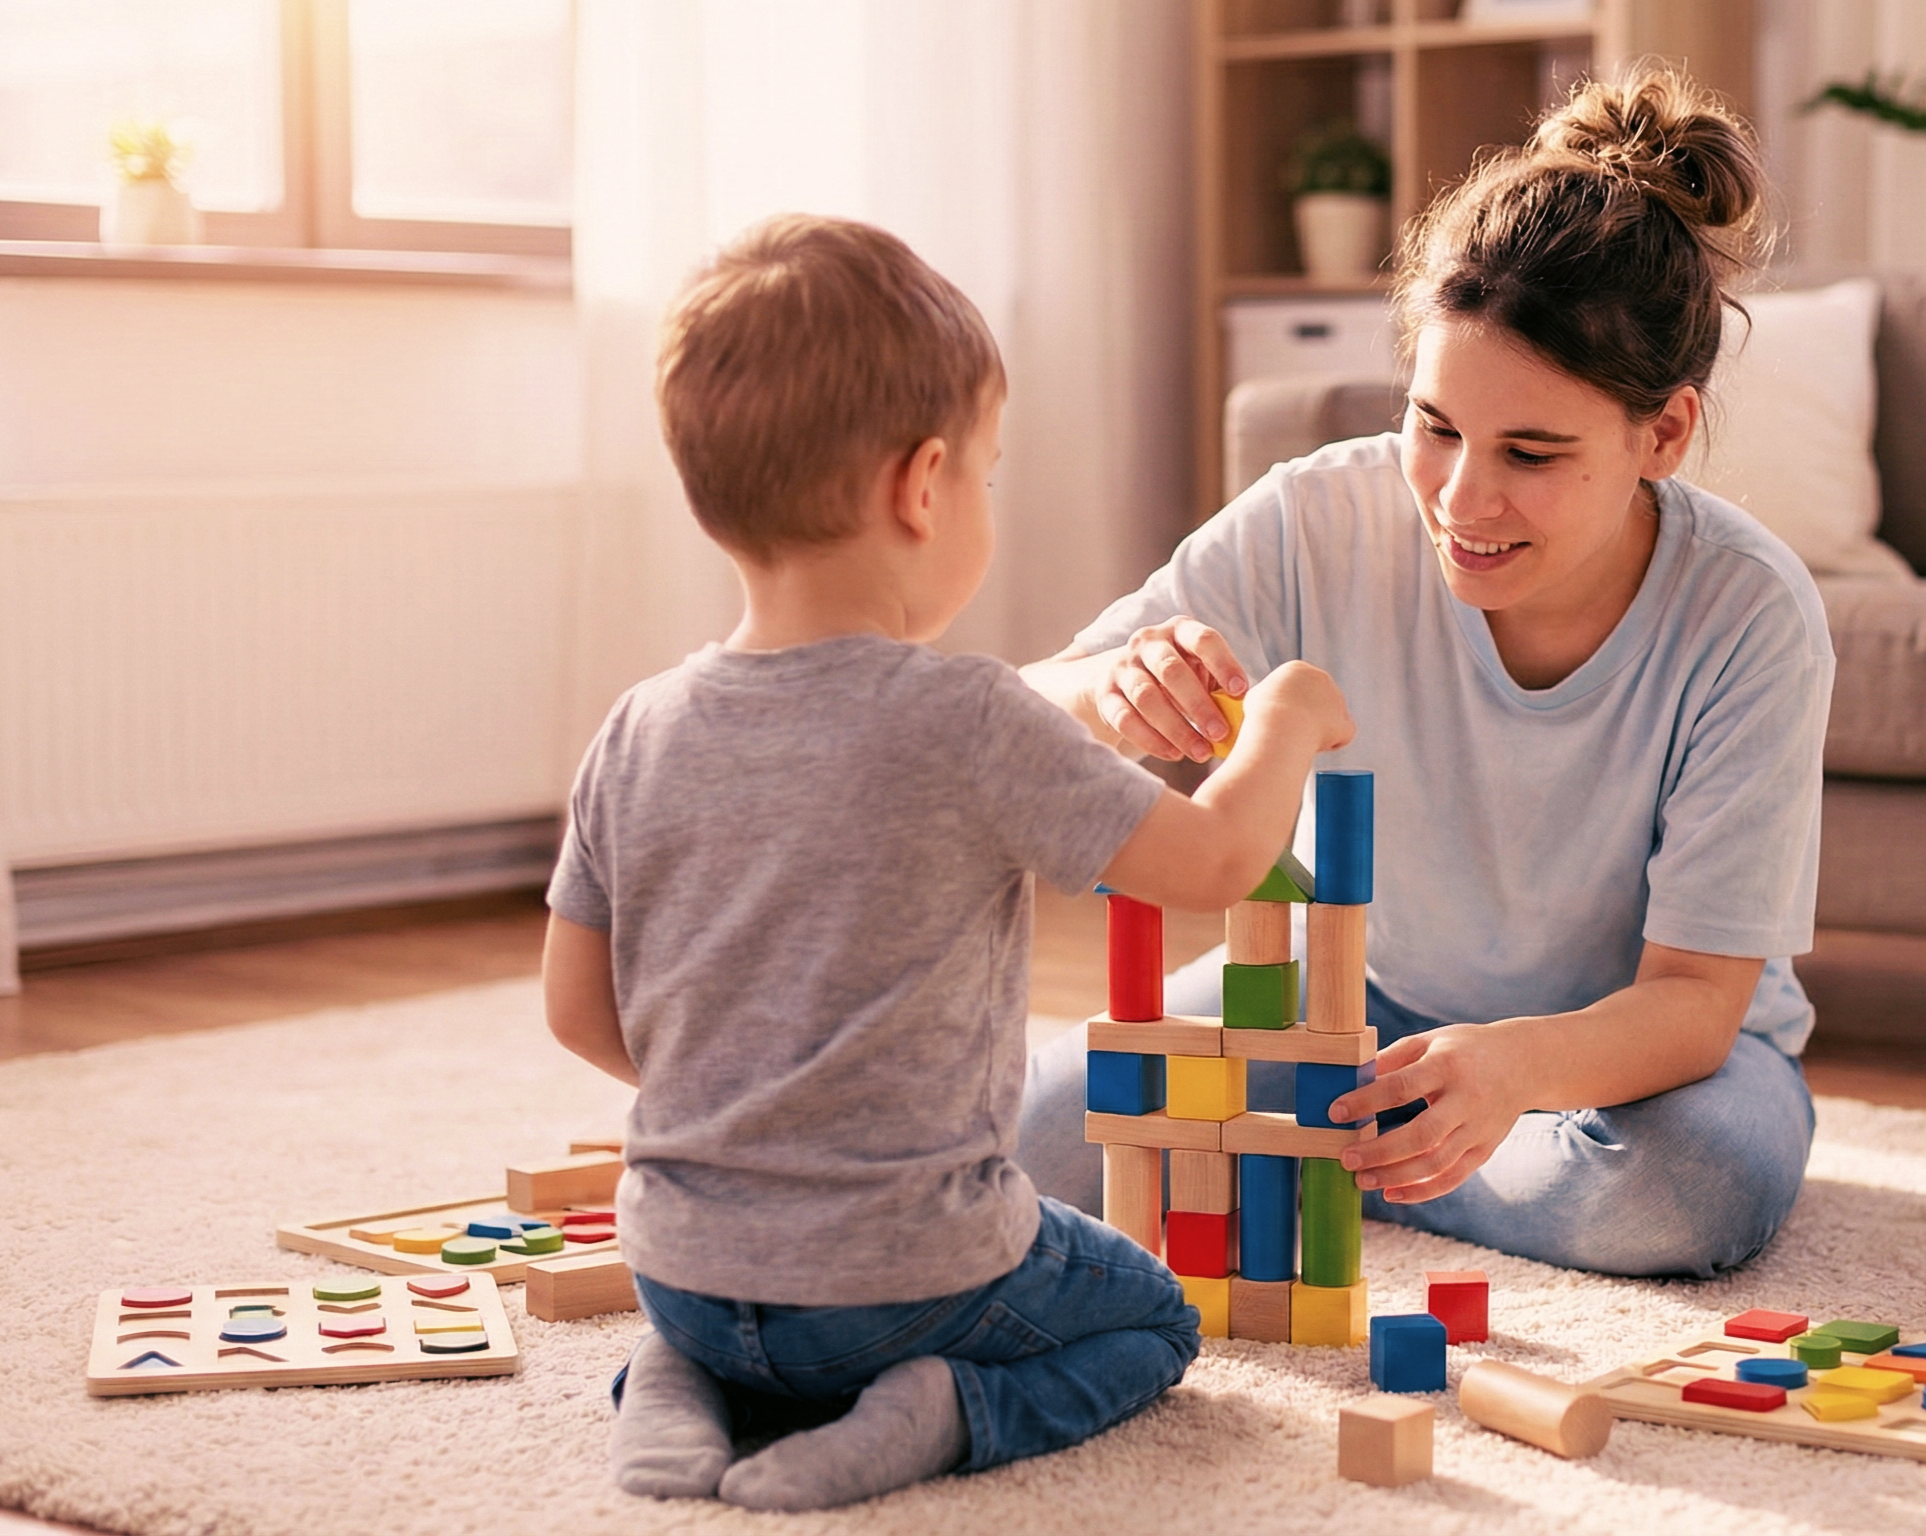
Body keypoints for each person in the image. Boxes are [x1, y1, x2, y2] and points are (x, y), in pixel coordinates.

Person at [541, 215, 1355, 1511]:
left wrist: (753, 1104)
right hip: (903, 1279)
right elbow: (1210, 865)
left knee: (737, 1322)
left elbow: (576, 1011)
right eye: (987, 470)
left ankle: (680, 1388)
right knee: (1148, 1319)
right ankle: (942, 1411)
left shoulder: (634, 726)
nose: (979, 495)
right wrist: (1288, 720)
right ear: (920, 488)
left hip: (682, 1267)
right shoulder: (967, 717)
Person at [1017, 67, 1829, 1279]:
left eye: (1531, 452)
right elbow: (1023, 706)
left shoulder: (1748, 615)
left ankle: (1317, 1157)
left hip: (1636, 1063)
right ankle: (1392, 1155)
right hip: (1354, 1006)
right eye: (1435, 425)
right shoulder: (1318, 516)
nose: (1461, 499)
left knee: (1681, 1193)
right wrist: (1112, 685)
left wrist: (1512, 1072)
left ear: (1660, 433)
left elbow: (1696, 1002)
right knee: (1039, 1131)